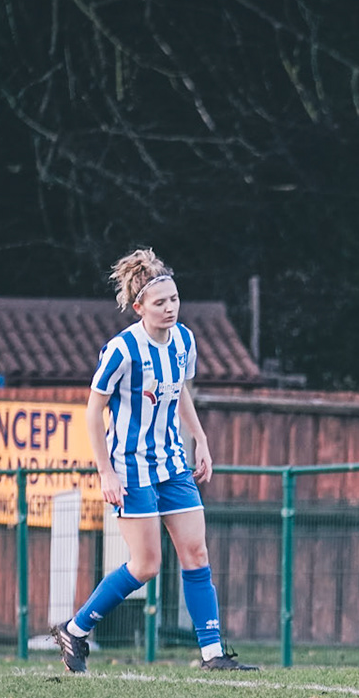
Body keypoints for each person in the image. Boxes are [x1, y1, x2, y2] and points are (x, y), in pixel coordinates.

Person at [50, 248, 256, 673]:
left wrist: (200, 439)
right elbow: (92, 411)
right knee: (146, 565)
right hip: (130, 468)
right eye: (160, 302)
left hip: (172, 464)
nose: (170, 308)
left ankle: (213, 654)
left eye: (174, 299)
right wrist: (106, 472)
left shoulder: (184, 341)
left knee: (196, 553)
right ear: (139, 307)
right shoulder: (122, 350)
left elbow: (179, 392)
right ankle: (75, 629)